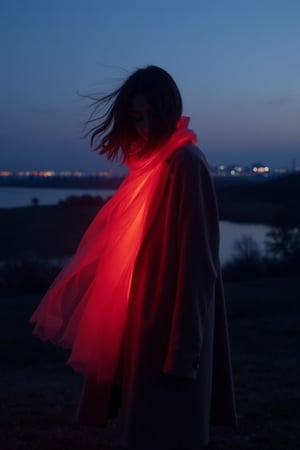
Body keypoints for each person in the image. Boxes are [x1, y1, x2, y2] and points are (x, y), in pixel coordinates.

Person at [30, 65, 237, 449]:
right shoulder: (149, 164)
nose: (144, 126)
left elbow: (200, 267)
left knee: (163, 430)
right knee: (141, 427)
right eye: (136, 118)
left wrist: (182, 352)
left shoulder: (186, 164)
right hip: (142, 321)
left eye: (152, 115)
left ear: (170, 109)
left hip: (167, 330)